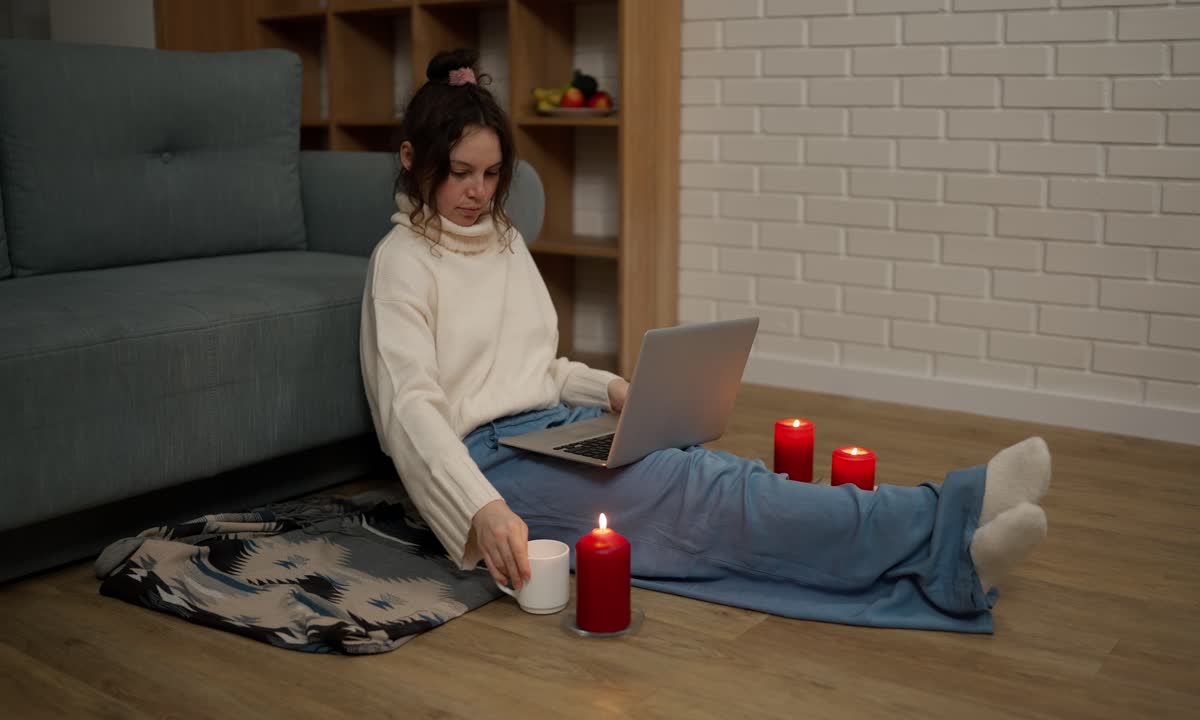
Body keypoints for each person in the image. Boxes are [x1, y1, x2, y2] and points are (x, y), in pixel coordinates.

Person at [359, 49, 1050, 633]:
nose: (478, 193)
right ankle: (946, 520)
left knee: (726, 480)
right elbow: (412, 412)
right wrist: (482, 508)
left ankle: (947, 548)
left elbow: (536, 366)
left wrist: (615, 390)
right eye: (459, 173)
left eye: (490, 174)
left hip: (549, 429)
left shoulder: (502, 240)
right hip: (488, 466)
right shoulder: (401, 264)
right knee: (707, 497)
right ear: (413, 157)